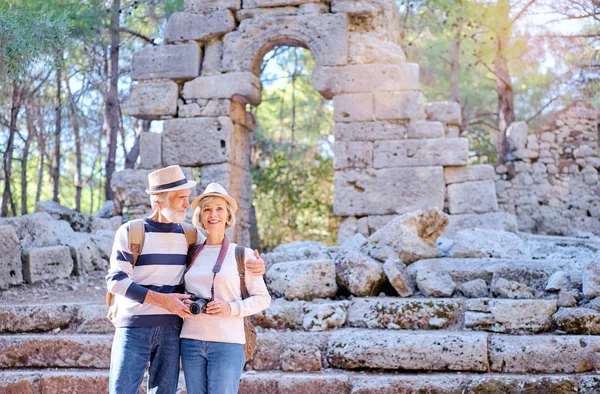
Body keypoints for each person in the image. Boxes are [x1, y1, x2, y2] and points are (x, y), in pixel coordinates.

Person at [105, 165, 265, 394]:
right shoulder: (131, 232)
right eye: (181, 198)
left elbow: (218, 247)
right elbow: (116, 281)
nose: (187, 205)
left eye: (188, 198)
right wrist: (164, 301)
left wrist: (257, 266)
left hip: (172, 330)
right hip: (133, 327)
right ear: (159, 201)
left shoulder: (189, 234)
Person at [180, 183, 271, 394]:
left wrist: (230, 309)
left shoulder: (243, 254)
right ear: (200, 216)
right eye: (207, 209)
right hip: (191, 341)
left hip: (227, 343)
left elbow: (263, 298)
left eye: (219, 208)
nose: (213, 214)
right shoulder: (190, 253)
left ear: (228, 215)